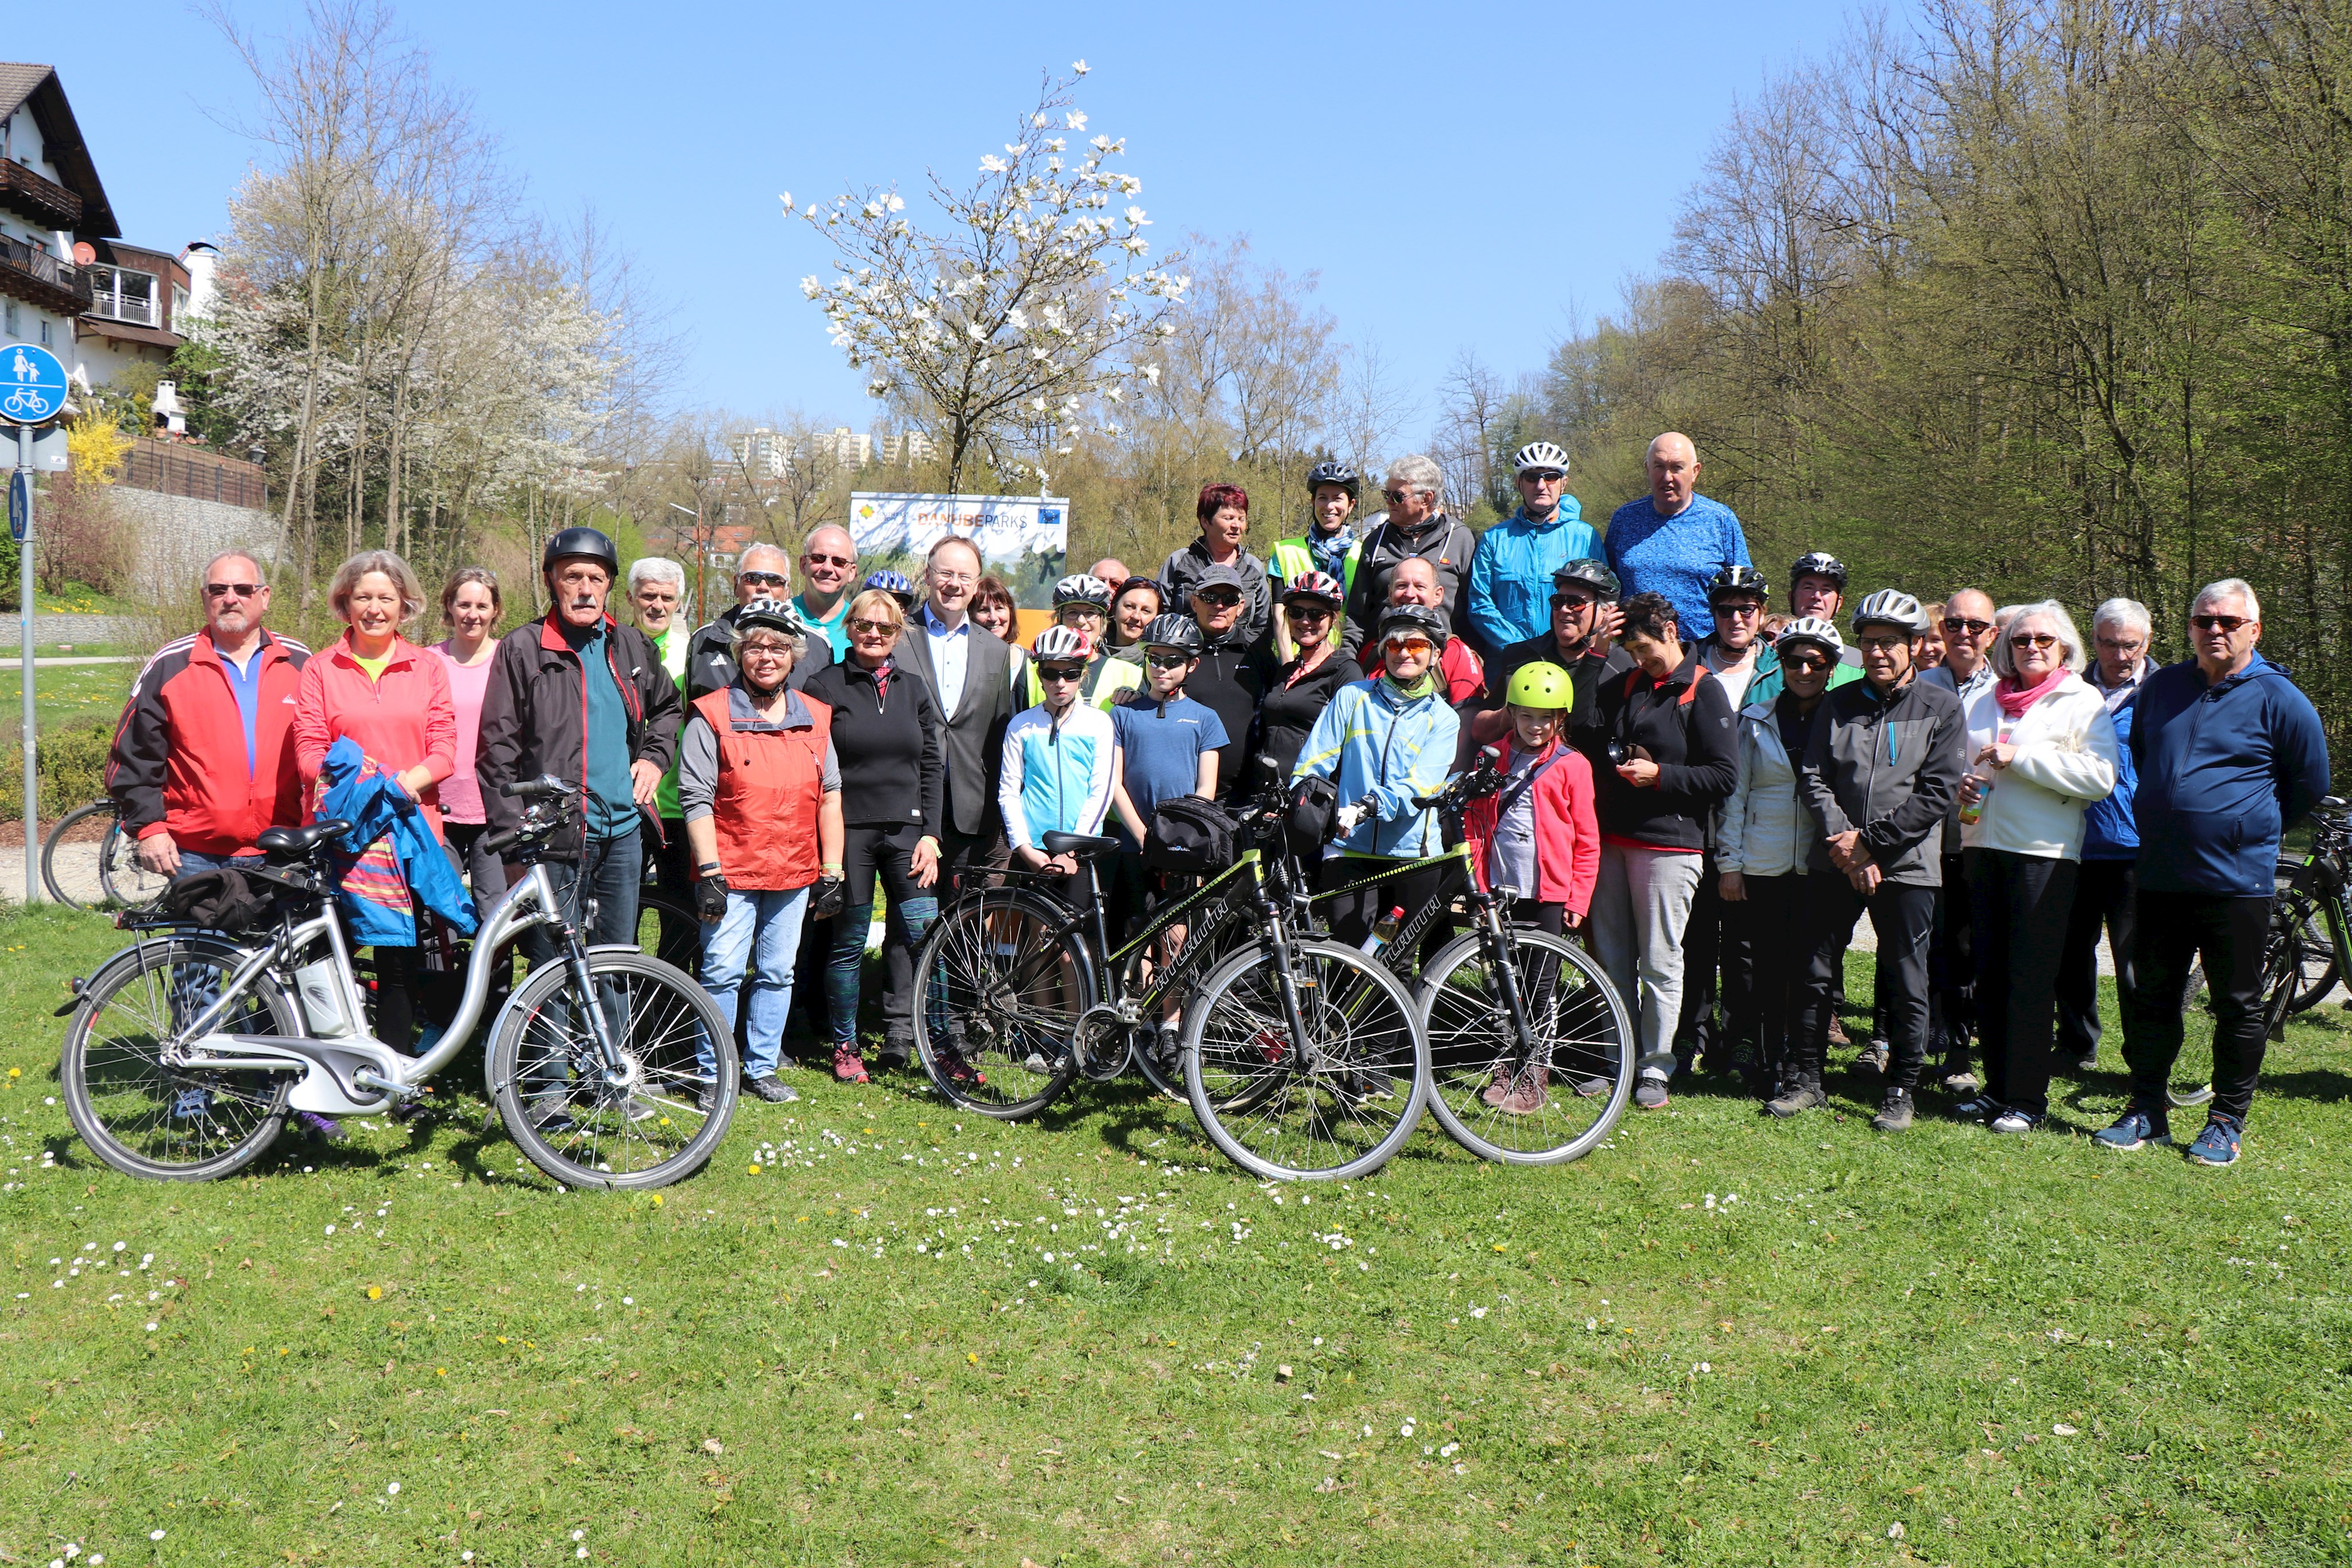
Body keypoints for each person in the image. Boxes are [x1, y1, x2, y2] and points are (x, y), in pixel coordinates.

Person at [2099, 579, 2331, 1167]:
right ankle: (2145, 1108)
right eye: (2204, 621)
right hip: (2158, 873)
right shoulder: (2162, 687)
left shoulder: (2281, 698)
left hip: (2235, 880)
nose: (2215, 631)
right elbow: (2149, 759)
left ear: (2254, 628)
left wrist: (2242, 824)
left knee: (2235, 1003)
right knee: (2152, 995)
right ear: (2190, 629)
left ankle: (2226, 1120)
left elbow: (2309, 783)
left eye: (2229, 621)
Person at [1780, 590, 1966, 1132]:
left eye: (1890, 643)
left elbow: (1937, 792)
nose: (1879, 652)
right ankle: (1809, 1079)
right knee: (1814, 971)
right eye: (1869, 643)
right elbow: (1813, 776)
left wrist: (1872, 844)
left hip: (1906, 864)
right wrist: (1844, 840)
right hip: (1835, 859)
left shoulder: (1941, 707)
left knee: (1907, 976)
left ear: (1913, 646)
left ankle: (1902, 1087)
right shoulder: (1839, 703)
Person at [479, 528, 682, 982]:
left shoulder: (630, 644)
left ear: (610, 585)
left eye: (596, 577)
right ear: (553, 581)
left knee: (617, 961)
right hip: (554, 837)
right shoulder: (523, 648)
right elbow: (496, 754)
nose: (585, 588)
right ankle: (547, 1056)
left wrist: (654, 757)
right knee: (551, 963)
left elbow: (669, 707)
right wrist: (514, 841)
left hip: (623, 833)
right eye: (573, 576)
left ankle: (608, 1054)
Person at [1951, 601, 2118, 1133]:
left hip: (2044, 855)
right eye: (2022, 640)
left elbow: (2100, 777)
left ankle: (2028, 1098)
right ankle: (1997, 1088)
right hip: (1982, 846)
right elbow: (1966, 759)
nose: (2032, 648)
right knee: (1990, 976)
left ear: (2065, 646)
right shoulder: (1985, 699)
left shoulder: (2081, 700)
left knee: (2028, 979)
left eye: (2044, 640)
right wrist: (1963, 784)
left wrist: (2021, 759)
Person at [678, 599, 845, 1104]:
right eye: (754, 647)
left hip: (794, 869)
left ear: (794, 657)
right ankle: (713, 1072)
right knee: (723, 972)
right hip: (730, 868)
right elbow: (696, 797)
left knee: (777, 972)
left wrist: (832, 869)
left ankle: (762, 1066)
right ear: (739, 654)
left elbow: (831, 793)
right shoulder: (711, 714)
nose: (766, 656)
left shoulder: (815, 717)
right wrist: (708, 872)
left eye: (777, 647)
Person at [293, 549, 458, 1055]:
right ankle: (323, 1061)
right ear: (345, 604)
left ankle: (391, 1072)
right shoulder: (321, 668)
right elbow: (309, 751)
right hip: (342, 836)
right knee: (320, 952)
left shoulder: (427, 666)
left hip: (409, 832)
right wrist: (367, 786)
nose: (374, 607)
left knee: (398, 959)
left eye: (386, 597)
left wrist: (406, 782)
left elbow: (446, 746)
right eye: (363, 596)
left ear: (404, 605)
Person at [1585, 592, 1738, 1110]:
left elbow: (1725, 775)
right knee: (1610, 959)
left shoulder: (1703, 689)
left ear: (1673, 631)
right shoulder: (1628, 681)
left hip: (1670, 846)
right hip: (1615, 840)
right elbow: (1584, 724)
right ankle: (1615, 1060)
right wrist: (1596, 651)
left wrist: (1661, 776)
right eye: (1631, 651)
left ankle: (1654, 1067)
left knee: (1659, 962)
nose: (1642, 660)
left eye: (1647, 649)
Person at [800, 586, 946, 1081]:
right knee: (849, 942)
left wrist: (932, 835)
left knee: (928, 937)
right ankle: (845, 1047)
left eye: (886, 627)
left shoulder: (913, 687)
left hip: (909, 834)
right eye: (865, 624)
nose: (874, 634)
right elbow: (814, 767)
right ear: (850, 627)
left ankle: (941, 1045)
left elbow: (931, 763)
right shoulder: (824, 686)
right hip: (850, 834)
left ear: (898, 633)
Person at [110, 551, 309, 881]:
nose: (231, 599)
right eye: (218, 590)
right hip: (195, 854)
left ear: (265, 596)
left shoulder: (301, 662)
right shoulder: (170, 664)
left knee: (288, 937)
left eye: (243, 589)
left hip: (285, 848)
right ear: (205, 598)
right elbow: (134, 756)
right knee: (196, 937)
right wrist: (149, 828)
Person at [1459, 661, 1601, 1116]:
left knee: (1541, 989)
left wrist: (1578, 897)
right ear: (1513, 714)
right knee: (1505, 984)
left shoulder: (1573, 765)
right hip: (1500, 890)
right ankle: (1506, 1064)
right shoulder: (1493, 755)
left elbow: (1587, 837)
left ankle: (1534, 1074)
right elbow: (1475, 825)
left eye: (1546, 717)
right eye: (1526, 715)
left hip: (1549, 893)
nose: (1535, 725)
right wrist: (1478, 887)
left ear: (1561, 719)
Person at [1293, 603, 1464, 951]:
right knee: (1350, 956)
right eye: (1394, 645)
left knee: (1397, 962)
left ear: (1434, 655)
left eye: (1415, 645)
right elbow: (1314, 762)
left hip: (1412, 854)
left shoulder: (1445, 719)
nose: (1404, 653)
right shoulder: (1352, 697)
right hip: (1349, 848)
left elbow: (1421, 786)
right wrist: (1302, 799)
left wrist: (1370, 804)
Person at [1719, 615, 1841, 1097]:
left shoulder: (1843, 718)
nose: (1804, 670)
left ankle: (1807, 1064)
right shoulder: (1756, 718)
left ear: (1831, 667)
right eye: (1794, 661)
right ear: (1781, 664)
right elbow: (1736, 796)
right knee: (1766, 967)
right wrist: (1730, 862)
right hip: (1763, 862)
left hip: (1820, 863)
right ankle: (1768, 1060)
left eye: (1816, 662)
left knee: (1812, 972)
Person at [1102, 614, 1229, 1067]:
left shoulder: (1205, 719)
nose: (1162, 668)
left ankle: (1171, 1027)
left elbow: (1205, 792)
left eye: (1173, 661)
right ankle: (1140, 1024)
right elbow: (1114, 783)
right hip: (1135, 842)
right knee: (1138, 934)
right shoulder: (1122, 713)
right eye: (1155, 659)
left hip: (1183, 847)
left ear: (1191, 665)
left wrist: (1174, 842)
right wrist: (1143, 836)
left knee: (1175, 939)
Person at [1676, 563, 1774, 1071]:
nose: (1736, 617)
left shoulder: (1779, 669)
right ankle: (1693, 1033)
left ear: (1761, 613)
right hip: (1696, 819)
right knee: (1695, 935)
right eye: (1725, 609)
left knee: (1743, 940)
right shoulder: (1689, 664)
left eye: (1747, 609)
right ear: (1711, 613)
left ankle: (1741, 1035)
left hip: (1755, 824)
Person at [2057, 598, 2153, 1074]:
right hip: (2073, 841)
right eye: (2111, 644)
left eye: (2130, 646)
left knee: (2136, 965)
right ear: (2093, 641)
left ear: (2147, 643)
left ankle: (2142, 1058)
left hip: (2137, 849)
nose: (2121, 655)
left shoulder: (2165, 692)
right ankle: (2076, 1047)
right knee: (2071, 957)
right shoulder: (2069, 689)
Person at [898, 535, 1019, 886]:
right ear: (927, 576)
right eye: (945, 573)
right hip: (911, 801)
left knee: (964, 923)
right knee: (910, 922)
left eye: (965, 577)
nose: (954, 584)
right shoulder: (900, 638)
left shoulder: (996, 651)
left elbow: (998, 731)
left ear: (976, 584)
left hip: (971, 805)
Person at [1921, 587, 2001, 1090]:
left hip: (1987, 838)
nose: (1964, 634)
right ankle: (1943, 1045)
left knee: (1979, 950)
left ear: (1993, 633)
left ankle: (1976, 1050)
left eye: (1976, 626)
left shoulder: (2007, 690)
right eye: (1954, 624)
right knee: (1935, 949)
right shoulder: (1918, 684)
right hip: (1928, 840)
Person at [1603, 433, 1753, 643]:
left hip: (1704, 650)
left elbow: (1746, 591)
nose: (1667, 477)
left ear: (1695, 472)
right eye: (1659, 466)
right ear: (1647, 469)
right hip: (1638, 653)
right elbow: (1607, 589)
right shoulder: (1624, 519)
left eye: (1677, 467)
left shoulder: (1720, 520)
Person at [1474, 559, 1632, 753]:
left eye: (1576, 603)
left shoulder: (1624, 666)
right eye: (1558, 602)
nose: (1564, 609)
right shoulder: (1522, 655)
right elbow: (1479, 732)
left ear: (1607, 612)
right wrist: (1514, 713)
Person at [1002, 624, 1119, 874]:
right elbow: (1009, 791)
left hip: (1083, 847)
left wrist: (1073, 850)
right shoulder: (1021, 725)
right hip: (1034, 846)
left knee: (1079, 915)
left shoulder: (1099, 723)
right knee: (1034, 913)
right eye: (1051, 673)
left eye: (1071, 674)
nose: (1061, 683)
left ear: (1083, 675)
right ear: (1039, 676)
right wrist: (1023, 847)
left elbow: (1102, 790)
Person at [1465, 441, 1600, 657]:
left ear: (1563, 484)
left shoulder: (1586, 537)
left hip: (1569, 660)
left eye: (1551, 477)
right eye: (1531, 477)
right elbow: (1480, 605)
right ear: (1519, 483)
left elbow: (1602, 602)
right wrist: (1521, 648)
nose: (1541, 485)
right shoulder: (1494, 539)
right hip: (1508, 662)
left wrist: (1566, 648)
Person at [1341, 456, 1480, 658]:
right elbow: (1356, 615)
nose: (1389, 501)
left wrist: (1470, 661)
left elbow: (1474, 612)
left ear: (1427, 499)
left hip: (1442, 662)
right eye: (1386, 494)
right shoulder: (1376, 541)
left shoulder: (1459, 538)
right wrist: (1347, 662)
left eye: (1398, 496)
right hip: (1385, 659)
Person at [628, 556, 696, 968]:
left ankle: (667, 1007)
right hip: (625, 806)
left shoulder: (692, 654)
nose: (657, 605)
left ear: (679, 602)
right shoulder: (611, 647)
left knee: (679, 918)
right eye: (648, 595)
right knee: (622, 914)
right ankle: (619, 1000)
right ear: (631, 598)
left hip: (677, 805)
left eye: (667, 597)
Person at [434, 567, 507, 919]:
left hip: (493, 810)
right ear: (449, 606)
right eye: (464, 604)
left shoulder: (509, 660)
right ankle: (443, 978)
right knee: (440, 914)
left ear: (495, 610)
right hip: (439, 808)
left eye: (482, 605)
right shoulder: (428, 662)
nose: (472, 614)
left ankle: (492, 977)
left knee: (496, 913)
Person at [1178, 562, 1275, 806]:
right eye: (1210, 597)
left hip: (1246, 797)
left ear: (1241, 606)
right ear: (1194, 602)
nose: (1219, 605)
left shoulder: (1258, 652)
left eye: (1230, 599)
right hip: (1186, 793)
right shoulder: (1176, 651)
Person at [687, 544, 830, 699]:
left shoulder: (817, 646)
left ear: (787, 589)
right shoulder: (704, 641)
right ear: (736, 584)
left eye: (774, 580)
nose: (763, 587)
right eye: (752, 578)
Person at [1255, 573, 1361, 780]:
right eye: (1296, 612)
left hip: (1309, 795)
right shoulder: (1286, 671)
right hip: (1266, 791)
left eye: (1316, 614)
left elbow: (1353, 743)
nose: (1305, 621)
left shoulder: (1345, 671)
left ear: (1332, 619)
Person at [1159, 482, 1274, 648]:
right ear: (1206, 521)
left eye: (1242, 519)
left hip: (1240, 660)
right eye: (1228, 518)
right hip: (1185, 655)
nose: (1236, 525)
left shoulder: (1253, 567)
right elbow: (1161, 615)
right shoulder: (1179, 561)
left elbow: (1262, 625)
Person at [1359, 557, 1486, 706]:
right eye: (1401, 586)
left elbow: (1468, 721)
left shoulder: (1456, 653)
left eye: (1420, 586)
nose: (1410, 593)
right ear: (1390, 593)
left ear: (1438, 595)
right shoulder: (1372, 651)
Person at [1027, 572, 1141, 711]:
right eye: (1072, 612)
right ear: (1059, 618)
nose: (1081, 621)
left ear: (1102, 620)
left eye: (1090, 613)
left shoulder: (1131, 674)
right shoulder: (1032, 669)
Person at [1268, 460, 1364, 610]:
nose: (1329, 506)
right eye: (1322, 498)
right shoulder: (1285, 552)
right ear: (1313, 501)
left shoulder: (1364, 554)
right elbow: (1279, 617)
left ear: (1351, 505)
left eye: (1337, 498)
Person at [794, 524, 860, 659]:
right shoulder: (779, 618)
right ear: (803, 565)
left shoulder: (863, 628)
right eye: (818, 558)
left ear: (852, 572)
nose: (828, 568)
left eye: (839, 561)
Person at [1106, 576, 1166, 656]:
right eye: (1129, 606)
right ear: (1114, 610)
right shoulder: (1091, 653)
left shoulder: (1157, 664)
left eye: (1146, 611)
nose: (1136, 616)